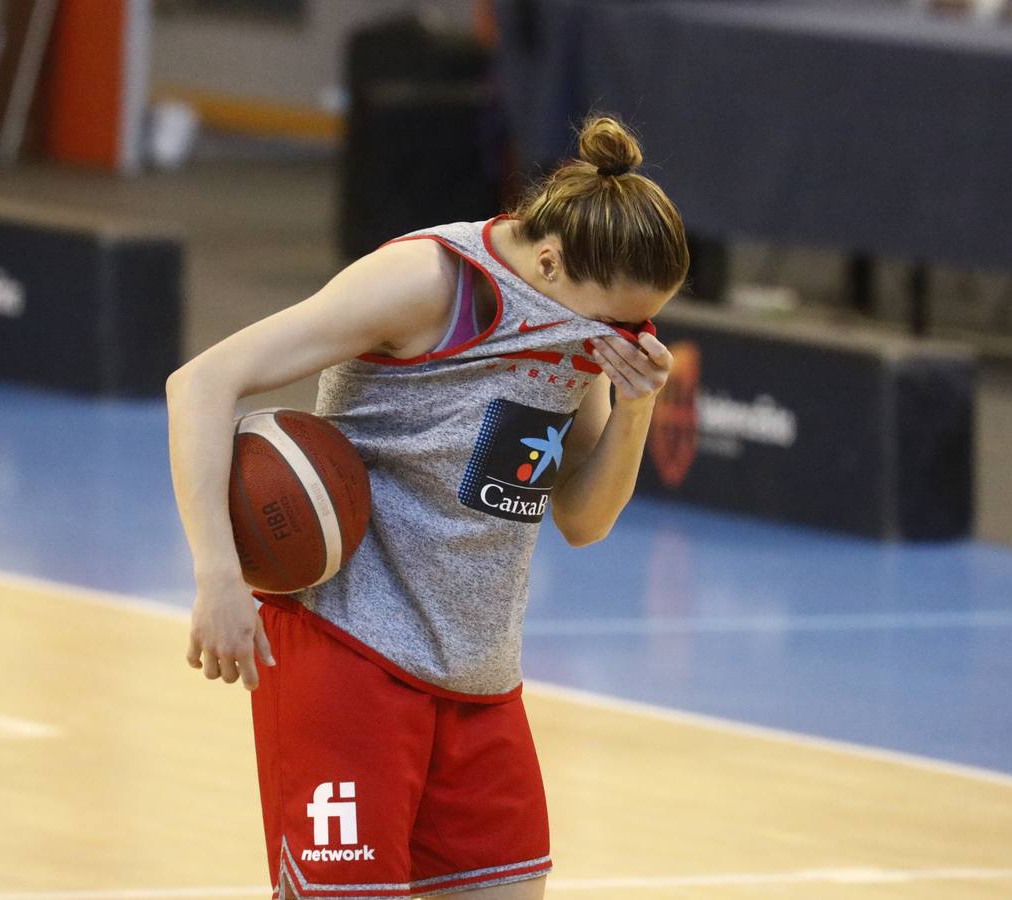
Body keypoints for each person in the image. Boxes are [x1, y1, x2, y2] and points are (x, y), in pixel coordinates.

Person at [165, 115, 689, 899]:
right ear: (547, 261)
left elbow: (584, 521)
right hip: (348, 661)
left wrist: (636, 405)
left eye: (643, 322)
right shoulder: (428, 283)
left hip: (479, 678)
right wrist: (218, 576)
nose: (629, 335)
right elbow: (201, 382)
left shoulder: (585, 339)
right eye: (619, 320)